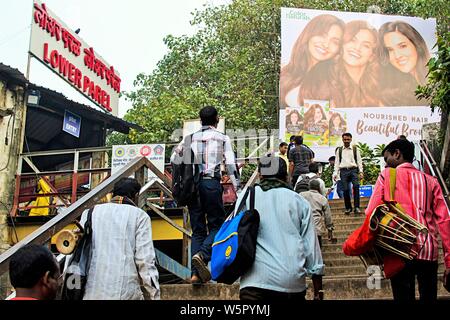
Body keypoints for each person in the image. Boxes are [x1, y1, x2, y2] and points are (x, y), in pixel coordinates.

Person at [365, 139, 450, 300]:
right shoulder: (431, 181)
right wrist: (449, 260)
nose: (385, 164)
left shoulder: (387, 175)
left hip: (398, 249)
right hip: (428, 249)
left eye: (386, 158)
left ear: (397, 154)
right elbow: (445, 221)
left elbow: (371, 211)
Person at [238, 154, 324, 300]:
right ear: (286, 176)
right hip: (291, 283)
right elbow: (311, 247)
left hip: (254, 282)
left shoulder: (246, 197)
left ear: (260, 175)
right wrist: (318, 291)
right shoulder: (299, 202)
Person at [172, 106, 240, 284]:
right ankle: (202, 255)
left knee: (198, 230)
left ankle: (195, 274)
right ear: (216, 119)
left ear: (200, 119)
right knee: (217, 225)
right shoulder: (222, 138)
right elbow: (231, 166)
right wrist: (238, 189)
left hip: (193, 187)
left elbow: (174, 159)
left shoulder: (189, 138)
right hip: (211, 184)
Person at [80, 177, 160, 300]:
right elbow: (145, 261)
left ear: (113, 194)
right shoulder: (140, 216)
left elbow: (77, 255)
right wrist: (154, 295)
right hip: (125, 292)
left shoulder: (89, 213)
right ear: (136, 196)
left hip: (91, 292)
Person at [299, 20, 381, 108]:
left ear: (372, 55)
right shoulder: (323, 81)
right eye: (352, 40)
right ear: (342, 45)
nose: (357, 48)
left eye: (366, 45)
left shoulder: (378, 84)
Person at [280, 14, 345, 109]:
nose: (326, 44)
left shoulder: (334, 82)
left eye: (335, 42)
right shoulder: (287, 71)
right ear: (309, 34)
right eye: (322, 35)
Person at [379, 21, 430, 106]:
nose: (397, 55)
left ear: (417, 45)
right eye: (390, 50)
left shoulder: (438, 79)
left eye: (402, 46)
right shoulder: (388, 96)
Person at [333, 133, 363, 214]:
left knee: (356, 187)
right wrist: (335, 173)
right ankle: (348, 208)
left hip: (353, 170)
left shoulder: (355, 149)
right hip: (343, 171)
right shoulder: (339, 150)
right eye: (345, 139)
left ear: (351, 139)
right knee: (345, 189)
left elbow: (359, 161)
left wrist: (361, 172)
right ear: (342, 140)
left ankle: (356, 207)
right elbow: (336, 163)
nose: (346, 141)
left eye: (348, 139)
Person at [301, 179, 334, 248]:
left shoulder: (301, 195)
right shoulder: (322, 198)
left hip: (303, 227)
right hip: (316, 228)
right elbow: (328, 216)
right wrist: (330, 229)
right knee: (317, 251)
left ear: (309, 187)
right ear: (319, 187)